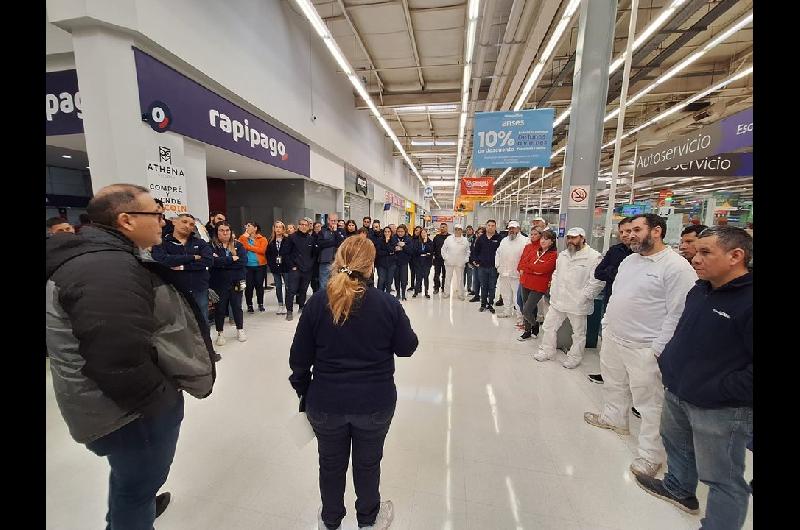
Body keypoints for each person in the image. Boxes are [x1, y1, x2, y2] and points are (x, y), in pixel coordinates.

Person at [46, 184, 215, 530]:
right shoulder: (106, 269)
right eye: (155, 213)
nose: (163, 221)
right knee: (136, 490)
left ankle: (133, 505)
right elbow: (117, 357)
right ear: (125, 219)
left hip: (106, 405)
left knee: (129, 481)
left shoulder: (101, 258)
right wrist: (161, 402)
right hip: (128, 414)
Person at [289, 236, 418, 530]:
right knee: (368, 464)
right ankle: (368, 519)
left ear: (337, 261)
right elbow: (407, 347)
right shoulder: (386, 304)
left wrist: (305, 392)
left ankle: (330, 520)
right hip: (374, 402)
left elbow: (298, 359)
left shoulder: (317, 302)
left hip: (325, 403)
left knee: (330, 464)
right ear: (370, 267)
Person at [633, 226, 752, 527]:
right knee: (677, 445)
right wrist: (671, 365)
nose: (694, 258)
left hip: (719, 406)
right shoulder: (701, 288)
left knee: (722, 477)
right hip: (677, 388)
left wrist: (718, 389)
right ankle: (679, 488)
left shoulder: (748, 301)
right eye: (695, 251)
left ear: (736, 256)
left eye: (705, 252)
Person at [584, 214, 697, 478]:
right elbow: (617, 295)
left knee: (650, 403)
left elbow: (679, 313)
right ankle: (615, 418)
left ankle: (651, 455)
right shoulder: (629, 261)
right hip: (615, 337)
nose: (630, 235)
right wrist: (607, 325)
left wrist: (658, 348)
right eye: (627, 231)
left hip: (645, 346)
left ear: (656, 231)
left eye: (637, 230)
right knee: (614, 383)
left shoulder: (676, 267)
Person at [533, 227, 604, 368]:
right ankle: (547, 351)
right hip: (559, 300)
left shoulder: (593, 257)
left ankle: (574, 358)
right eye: (569, 238)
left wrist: (584, 297)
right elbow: (556, 274)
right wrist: (553, 290)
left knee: (578, 333)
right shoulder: (564, 255)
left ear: (582, 238)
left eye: (574, 237)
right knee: (549, 326)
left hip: (578, 303)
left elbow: (597, 281)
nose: (571, 241)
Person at [588, 217, 634, 385]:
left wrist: (612, 271)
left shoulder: (641, 255)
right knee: (609, 341)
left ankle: (632, 383)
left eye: (630, 231)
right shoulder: (615, 251)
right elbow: (599, 273)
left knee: (632, 350)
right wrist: (614, 272)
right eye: (621, 232)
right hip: (611, 300)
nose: (625, 235)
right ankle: (608, 373)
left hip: (634, 308)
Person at [152, 213, 214, 325]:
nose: (187, 226)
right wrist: (192, 257)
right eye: (184, 222)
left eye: (191, 224)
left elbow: (208, 261)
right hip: (173, 290)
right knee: (177, 324)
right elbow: (162, 260)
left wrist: (182, 266)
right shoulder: (162, 242)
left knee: (202, 322)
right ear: (175, 222)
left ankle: (205, 342)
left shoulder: (200, 243)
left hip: (198, 288)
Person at [210, 222, 247, 345]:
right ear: (217, 232)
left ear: (231, 232)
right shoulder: (211, 246)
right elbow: (213, 262)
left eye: (227, 230)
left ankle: (240, 329)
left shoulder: (238, 245)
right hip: (219, 283)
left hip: (237, 281)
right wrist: (231, 259)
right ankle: (220, 333)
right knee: (220, 308)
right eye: (221, 230)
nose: (225, 233)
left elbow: (242, 262)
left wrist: (222, 262)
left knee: (237, 307)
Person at [517, 229, 557, 341]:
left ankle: (534, 325)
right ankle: (527, 331)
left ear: (552, 241)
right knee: (526, 306)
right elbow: (524, 264)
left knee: (526, 310)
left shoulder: (553, 255)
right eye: (542, 238)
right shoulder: (535, 251)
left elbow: (544, 269)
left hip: (539, 286)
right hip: (525, 282)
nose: (543, 241)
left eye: (546, 239)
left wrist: (530, 269)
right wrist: (534, 270)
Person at [494, 221, 529, 318]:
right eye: (510, 228)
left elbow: (527, 257)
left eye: (514, 228)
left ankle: (519, 315)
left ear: (519, 229)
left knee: (517, 297)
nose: (511, 230)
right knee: (505, 294)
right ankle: (507, 311)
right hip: (504, 273)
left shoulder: (525, 241)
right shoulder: (504, 240)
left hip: (516, 274)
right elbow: (498, 252)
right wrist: (497, 265)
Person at [284, 217, 315, 321]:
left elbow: (313, 254)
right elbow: (286, 254)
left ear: (308, 227)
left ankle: (301, 307)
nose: (303, 226)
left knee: (303, 290)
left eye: (305, 225)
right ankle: (289, 311)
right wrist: (292, 266)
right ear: (298, 226)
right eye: (301, 224)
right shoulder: (291, 237)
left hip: (307, 269)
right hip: (295, 269)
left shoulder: (311, 239)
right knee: (291, 290)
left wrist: (310, 264)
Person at [471, 220, 503, 313]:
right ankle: (483, 304)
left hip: (494, 267)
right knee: (483, 286)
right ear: (486, 226)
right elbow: (475, 251)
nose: (490, 227)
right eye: (489, 225)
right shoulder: (481, 238)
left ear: (495, 227)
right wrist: (476, 261)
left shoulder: (499, 238)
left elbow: (502, 252)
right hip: (482, 267)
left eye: (493, 225)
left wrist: (499, 264)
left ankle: (490, 304)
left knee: (492, 286)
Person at [238, 221, 269, 313]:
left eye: (249, 226)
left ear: (255, 228)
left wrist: (248, 247)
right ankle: (249, 305)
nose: (247, 227)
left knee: (259, 286)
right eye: (246, 226)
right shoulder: (243, 238)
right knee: (248, 287)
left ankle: (260, 304)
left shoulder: (262, 239)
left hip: (260, 266)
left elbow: (262, 250)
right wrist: (245, 238)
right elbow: (240, 247)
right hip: (247, 266)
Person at [267, 221, 291, 315]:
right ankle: (280, 304)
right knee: (278, 286)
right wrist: (271, 264)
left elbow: (291, 252)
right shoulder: (271, 240)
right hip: (275, 268)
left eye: (280, 227)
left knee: (288, 287)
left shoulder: (288, 239)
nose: (278, 229)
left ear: (283, 229)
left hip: (285, 266)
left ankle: (287, 305)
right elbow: (268, 254)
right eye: (276, 227)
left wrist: (290, 263)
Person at [440, 224, 470, 300]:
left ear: (461, 231)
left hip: (460, 263)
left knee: (460, 279)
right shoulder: (449, 239)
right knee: (448, 278)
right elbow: (443, 249)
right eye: (456, 229)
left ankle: (460, 294)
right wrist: (446, 258)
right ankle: (446, 293)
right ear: (454, 230)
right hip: (449, 262)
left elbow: (468, 251)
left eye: (459, 229)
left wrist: (465, 260)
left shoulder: (465, 240)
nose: (457, 231)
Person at [317, 213, 346, 289]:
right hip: (325, 261)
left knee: (337, 284)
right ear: (328, 220)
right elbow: (321, 244)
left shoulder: (341, 231)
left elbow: (341, 243)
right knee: (323, 284)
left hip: (337, 262)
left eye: (335, 221)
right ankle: (324, 300)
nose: (333, 222)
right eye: (332, 220)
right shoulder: (322, 231)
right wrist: (334, 242)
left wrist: (336, 232)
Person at [392, 225, 413, 301]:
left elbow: (410, 251)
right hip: (395, 262)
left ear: (405, 232)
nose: (400, 233)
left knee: (404, 279)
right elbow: (392, 248)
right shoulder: (393, 238)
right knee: (396, 278)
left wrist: (403, 246)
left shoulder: (408, 239)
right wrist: (395, 249)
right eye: (398, 231)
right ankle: (398, 293)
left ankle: (403, 293)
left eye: (402, 231)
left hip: (404, 262)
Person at [412, 228, 434, 298]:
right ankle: (416, 292)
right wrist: (424, 252)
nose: (423, 234)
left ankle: (426, 292)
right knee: (418, 278)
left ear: (427, 234)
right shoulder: (417, 242)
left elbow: (430, 251)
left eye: (425, 233)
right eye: (422, 233)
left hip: (427, 263)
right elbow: (416, 251)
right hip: (418, 262)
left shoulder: (430, 242)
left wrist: (425, 243)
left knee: (426, 277)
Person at [375, 226, 398, 293]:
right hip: (381, 264)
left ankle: (387, 296)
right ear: (383, 232)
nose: (387, 233)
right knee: (381, 280)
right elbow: (379, 252)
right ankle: (379, 295)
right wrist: (389, 252)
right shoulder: (379, 240)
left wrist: (387, 242)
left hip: (391, 264)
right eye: (385, 232)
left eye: (388, 232)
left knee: (389, 281)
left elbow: (392, 250)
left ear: (391, 233)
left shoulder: (394, 240)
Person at [431, 223, 450, 294]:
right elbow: (433, 248)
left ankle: (444, 288)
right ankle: (436, 287)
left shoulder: (450, 238)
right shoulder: (436, 237)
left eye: (443, 227)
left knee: (445, 275)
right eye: (441, 227)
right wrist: (432, 257)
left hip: (447, 260)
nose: (442, 228)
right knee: (436, 274)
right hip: (437, 259)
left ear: (447, 228)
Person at [468, 226, 484, 297]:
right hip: (475, 263)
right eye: (478, 232)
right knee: (475, 279)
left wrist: (480, 262)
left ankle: (483, 295)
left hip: (482, 264)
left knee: (482, 280)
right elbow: (472, 251)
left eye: (481, 232)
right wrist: (473, 261)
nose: (479, 234)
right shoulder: (475, 240)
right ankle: (475, 292)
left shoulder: (485, 241)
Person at [311, 222, 324, 293]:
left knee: (321, 278)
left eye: (319, 226)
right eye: (316, 227)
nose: (318, 228)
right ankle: (315, 292)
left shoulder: (324, 236)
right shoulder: (312, 237)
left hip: (323, 259)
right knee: (315, 278)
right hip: (315, 260)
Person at [409, 226, 422, 293]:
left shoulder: (422, 240)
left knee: (419, 273)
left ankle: (419, 287)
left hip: (419, 259)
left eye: (419, 231)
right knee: (412, 272)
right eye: (416, 230)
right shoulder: (411, 238)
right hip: (411, 259)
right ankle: (412, 286)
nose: (417, 232)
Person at [465, 225, 476, 293]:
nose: (468, 231)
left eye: (470, 229)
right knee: (462, 274)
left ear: (472, 230)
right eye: (467, 229)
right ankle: (461, 286)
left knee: (469, 275)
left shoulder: (474, 239)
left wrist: (471, 260)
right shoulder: (463, 238)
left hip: (470, 260)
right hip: (463, 259)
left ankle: (469, 287)